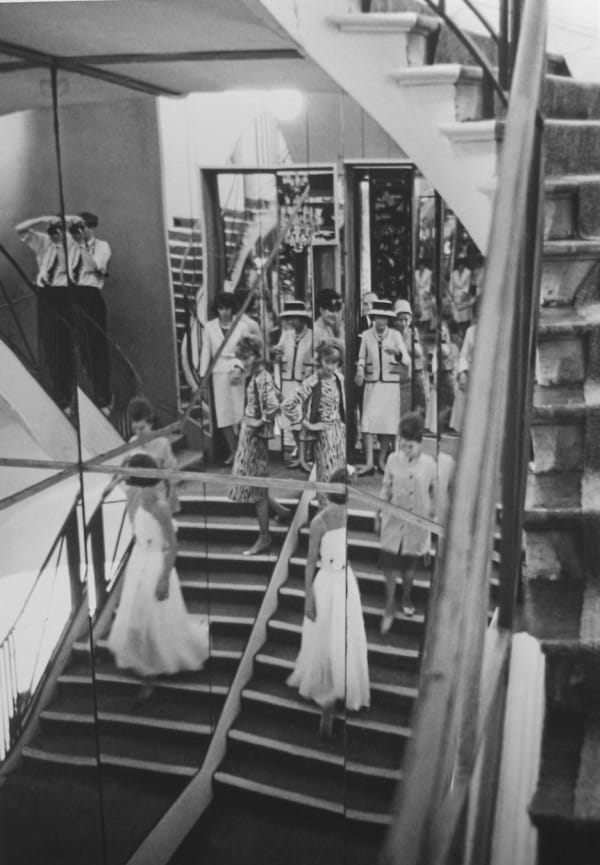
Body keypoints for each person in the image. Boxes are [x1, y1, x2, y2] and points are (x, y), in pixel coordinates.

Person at [107, 453, 209, 699]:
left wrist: (164, 578)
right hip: (139, 562)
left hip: (155, 564)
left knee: (151, 617)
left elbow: (172, 545)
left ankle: (150, 672)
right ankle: (144, 665)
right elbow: (120, 479)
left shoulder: (159, 506)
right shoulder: (139, 496)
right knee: (136, 616)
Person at [287, 467, 370, 738]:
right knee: (325, 637)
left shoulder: (348, 515)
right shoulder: (319, 521)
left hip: (345, 582)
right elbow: (310, 562)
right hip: (325, 585)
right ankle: (327, 699)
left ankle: (338, 693)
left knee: (344, 638)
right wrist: (308, 597)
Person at [375, 412, 437, 634]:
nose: (405, 449)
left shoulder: (430, 465)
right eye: (402, 444)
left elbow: (433, 503)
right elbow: (385, 488)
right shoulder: (392, 459)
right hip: (392, 523)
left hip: (416, 528)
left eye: (409, 446)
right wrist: (377, 515)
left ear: (420, 443)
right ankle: (390, 605)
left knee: (409, 571)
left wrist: (428, 540)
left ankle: (407, 598)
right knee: (390, 567)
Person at [229, 334, 289, 556]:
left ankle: (264, 536)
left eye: (247, 357)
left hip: (255, 437)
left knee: (256, 489)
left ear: (256, 355)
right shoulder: (258, 376)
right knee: (254, 485)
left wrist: (258, 421)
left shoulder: (261, 378)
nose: (244, 362)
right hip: (251, 435)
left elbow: (273, 405)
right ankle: (280, 511)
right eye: (242, 358)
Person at [15, 215, 82, 409]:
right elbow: (20, 229)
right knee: (50, 345)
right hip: (45, 294)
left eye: (58, 227)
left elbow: (67, 270)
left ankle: (67, 396)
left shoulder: (72, 243)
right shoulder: (44, 240)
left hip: (62, 295)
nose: (54, 231)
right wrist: (41, 219)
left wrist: (60, 243)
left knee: (64, 346)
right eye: (52, 228)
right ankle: (58, 395)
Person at [281, 339, 346, 507]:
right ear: (320, 360)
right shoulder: (312, 381)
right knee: (325, 474)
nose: (330, 367)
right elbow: (288, 404)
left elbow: (342, 407)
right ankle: (324, 511)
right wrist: (307, 424)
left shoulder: (340, 378)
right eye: (327, 361)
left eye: (335, 362)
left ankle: (334, 514)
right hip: (323, 435)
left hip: (339, 433)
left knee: (338, 476)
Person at [200, 292, 260, 465]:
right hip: (218, 373)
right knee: (223, 415)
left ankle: (244, 451)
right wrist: (203, 377)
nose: (224, 312)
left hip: (236, 371)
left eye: (227, 308)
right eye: (221, 308)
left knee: (239, 413)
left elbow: (248, 353)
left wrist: (239, 367)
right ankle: (234, 452)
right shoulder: (209, 327)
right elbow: (205, 352)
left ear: (232, 308)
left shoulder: (241, 327)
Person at [355, 299, 409, 475]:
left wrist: (397, 353)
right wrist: (360, 370)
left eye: (384, 318)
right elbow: (361, 357)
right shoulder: (366, 335)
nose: (381, 322)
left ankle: (381, 459)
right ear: (374, 317)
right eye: (378, 317)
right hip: (372, 383)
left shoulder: (395, 336)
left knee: (388, 423)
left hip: (390, 384)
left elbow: (407, 360)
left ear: (388, 320)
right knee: (368, 422)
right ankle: (369, 462)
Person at [70, 212, 112, 408]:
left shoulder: (102, 246)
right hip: (73, 296)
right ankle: (80, 397)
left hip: (91, 297)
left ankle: (104, 397)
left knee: (97, 349)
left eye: (83, 227)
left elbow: (93, 266)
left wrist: (80, 245)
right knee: (78, 349)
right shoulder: (70, 247)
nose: (80, 231)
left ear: (91, 227)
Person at [271, 300, 314, 471]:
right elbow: (278, 353)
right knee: (292, 422)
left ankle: (305, 456)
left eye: (294, 318)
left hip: (303, 383)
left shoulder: (311, 334)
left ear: (302, 319)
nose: (291, 322)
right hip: (288, 382)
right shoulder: (286, 334)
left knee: (303, 420)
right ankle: (300, 454)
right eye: (290, 318)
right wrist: (277, 353)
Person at [126, 396, 181, 514]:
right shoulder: (132, 442)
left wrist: (171, 497)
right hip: (139, 501)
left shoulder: (162, 443)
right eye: (135, 429)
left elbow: (173, 473)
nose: (138, 433)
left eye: (142, 428)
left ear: (150, 423)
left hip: (158, 499)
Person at [394, 298, 428, 418]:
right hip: (397, 378)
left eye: (406, 320)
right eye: (400, 320)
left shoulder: (413, 333)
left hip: (413, 377)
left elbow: (420, 353)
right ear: (395, 320)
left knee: (415, 410)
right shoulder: (393, 335)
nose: (403, 323)